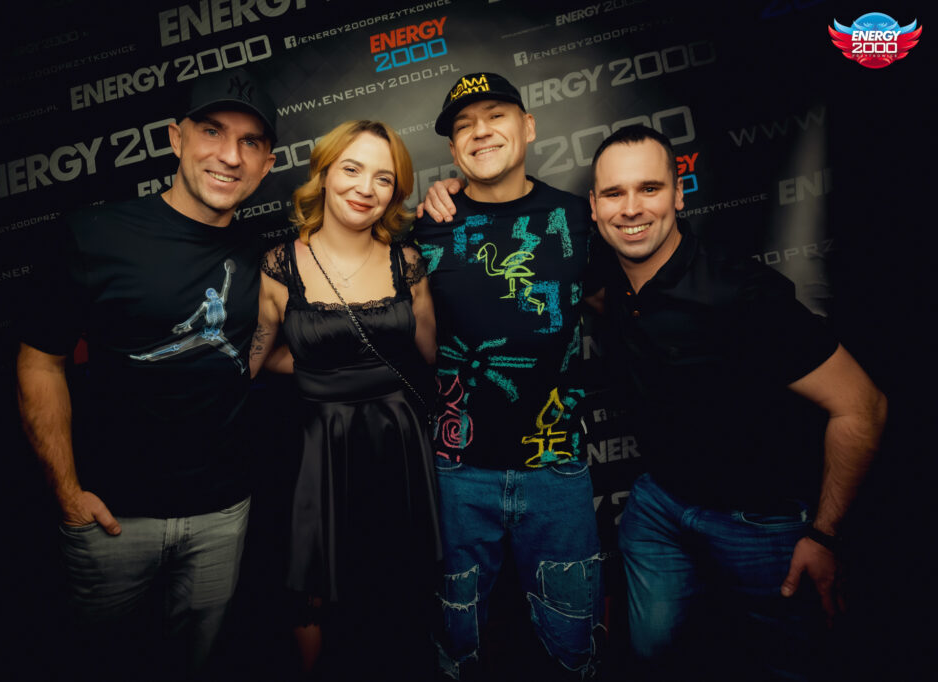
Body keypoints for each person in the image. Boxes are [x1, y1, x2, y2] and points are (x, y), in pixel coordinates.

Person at [586, 124, 888, 680]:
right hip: (660, 504)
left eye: (649, 188)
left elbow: (862, 406)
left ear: (679, 194)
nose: (630, 209)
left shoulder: (744, 296)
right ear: (594, 206)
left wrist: (823, 536)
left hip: (758, 520)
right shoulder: (608, 274)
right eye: (613, 193)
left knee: (787, 662)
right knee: (652, 651)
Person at [16, 67, 277, 679]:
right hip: (111, 516)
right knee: (101, 662)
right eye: (211, 131)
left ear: (267, 164)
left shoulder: (266, 253)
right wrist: (67, 495)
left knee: (197, 662)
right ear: (175, 138)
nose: (229, 156)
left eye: (250, 142)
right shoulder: (93, 234)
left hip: (222, 513)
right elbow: (40, 362)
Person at [415, 72, 604, 680]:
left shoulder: (578, 218)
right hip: (456, 473)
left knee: (573, 644)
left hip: (556, 468)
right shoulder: (425, 226)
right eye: (463, 126)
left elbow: (627, 308)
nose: (480, 132)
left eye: (495, 116)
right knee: (455, 645)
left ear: (528, 126)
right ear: (452, 150)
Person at [248, 120, 442, 678]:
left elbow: (431, 353)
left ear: (396, 192)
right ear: (325, 174)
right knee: (313, 580)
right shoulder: (279, 265)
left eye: (384, 178)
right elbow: (259, 357)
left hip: (398, 440)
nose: (365, 188)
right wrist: (323, 367)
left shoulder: (408, 262)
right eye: (352, 169)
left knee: (398, 578)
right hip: (317, 443)